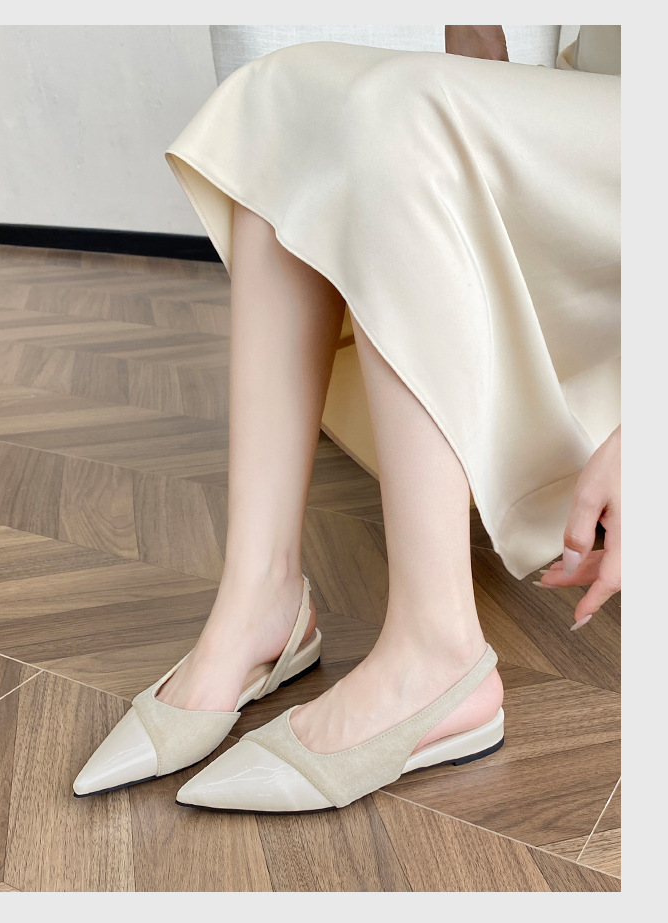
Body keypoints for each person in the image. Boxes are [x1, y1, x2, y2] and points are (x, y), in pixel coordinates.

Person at [73, 25, 620, 812]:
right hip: (597, 102)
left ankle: (436, 649)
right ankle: (259, 597)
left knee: (398, 112)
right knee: (281, 95)